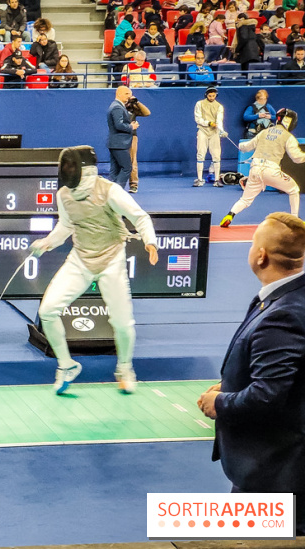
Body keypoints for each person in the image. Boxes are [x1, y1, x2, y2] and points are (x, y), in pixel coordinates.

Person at [197, 212, 305, 537]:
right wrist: (231, 382)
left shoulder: (282, 315)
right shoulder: (285, 299)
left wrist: (219, 403)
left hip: (276, 475)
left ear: (261, 255)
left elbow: (267, 395)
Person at [31, 146, 159, 395]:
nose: (67, 171)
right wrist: (46, 243)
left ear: (83, 169)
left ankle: (124, 368)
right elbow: (66, 226)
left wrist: (150, 241)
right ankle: (66, 366)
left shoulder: (109, 190)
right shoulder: (64, 194)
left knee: (122, 322)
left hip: (112, 260)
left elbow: (140, 217)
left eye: (71, 166)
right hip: (80, 259)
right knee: (47, 311)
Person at [221, 110, 305, 227]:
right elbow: (296, 158)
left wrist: (240, 146)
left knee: (245, 200)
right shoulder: (288, 137)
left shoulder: (265, 132)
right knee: (294, 189)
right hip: (271, 171)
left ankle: (230, 215)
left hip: (255, 169)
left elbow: (247, 146)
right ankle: (295, 219)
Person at [107, 86, 139, 189]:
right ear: (119, 94)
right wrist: (131, 127)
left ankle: (108, 192)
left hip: (115, 143)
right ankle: (118, 191)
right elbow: (119, 125)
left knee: (115, 171)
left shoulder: (116, 106)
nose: (129, 96)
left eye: (130, 94)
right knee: (126, 168)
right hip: (119, 144)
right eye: (126, 94)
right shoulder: (117, 107)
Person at [193, 86, 226, 187]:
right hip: (203, 130)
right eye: (210, 95)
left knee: (216, 155)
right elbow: (198, 118)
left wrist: (221, 131)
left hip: (214, 132)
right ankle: (199, 179)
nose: (211, 97)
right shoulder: (199, 104)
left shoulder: (219, 106)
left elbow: (219, 120)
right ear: (206, 95)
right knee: (200, 154)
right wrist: (208, 123)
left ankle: (216, 180)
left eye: (213, 96)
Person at [126, 95, 150, 194]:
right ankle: (117, 184)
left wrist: (137, 102)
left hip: (132, 137)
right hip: (120, 136)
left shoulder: (133, 109)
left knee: (132, 161)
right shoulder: (118, 107)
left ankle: (133, 184)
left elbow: (147, 113)